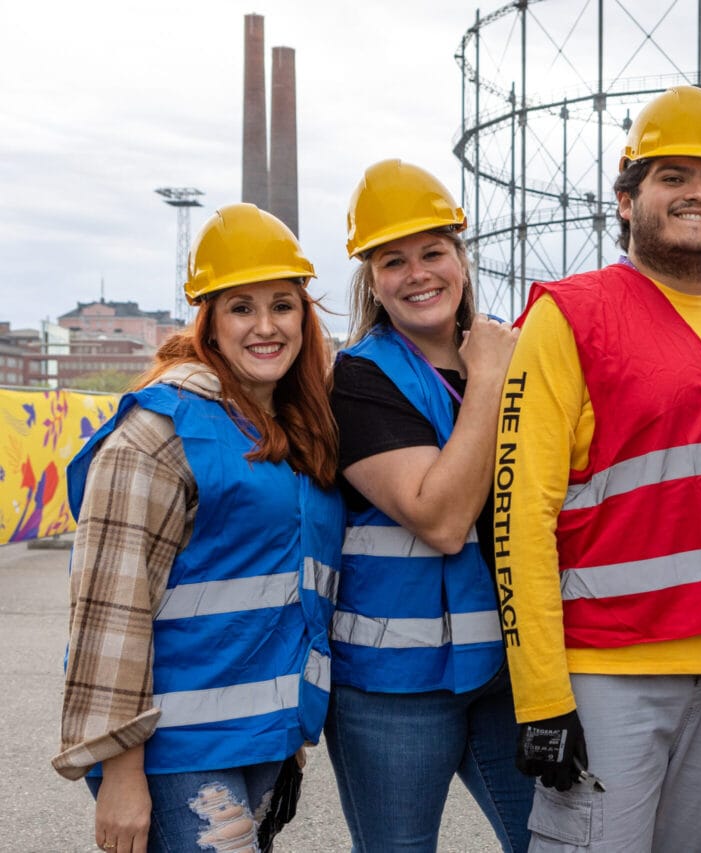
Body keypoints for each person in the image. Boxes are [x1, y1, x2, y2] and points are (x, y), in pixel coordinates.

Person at [496, 85, 701, 851]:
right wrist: (541, 698)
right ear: (627, 200)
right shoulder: (571, 315)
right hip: (604, 676)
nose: (699, 193)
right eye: (673, 176)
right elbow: (519, 514)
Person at [55, 203, 344, 852]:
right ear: (209, 321)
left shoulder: (291, 432)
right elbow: (109, 610)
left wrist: (288, 727)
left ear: (305, 314)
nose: (266, 326)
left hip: (261, 739)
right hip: (177, 752)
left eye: (283, 304)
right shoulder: (159, 432)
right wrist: (122, 771)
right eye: (241, 307)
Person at [326, 159, 529, 852]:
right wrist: (491, 380)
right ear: (372, 280)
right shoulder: (358, 379)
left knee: (561, 840)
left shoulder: (512, 353)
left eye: (433, 252)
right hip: (391, 687)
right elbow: (439, 518)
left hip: (504, 668)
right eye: (393, 260)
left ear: (461, 260)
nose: (418, 274)